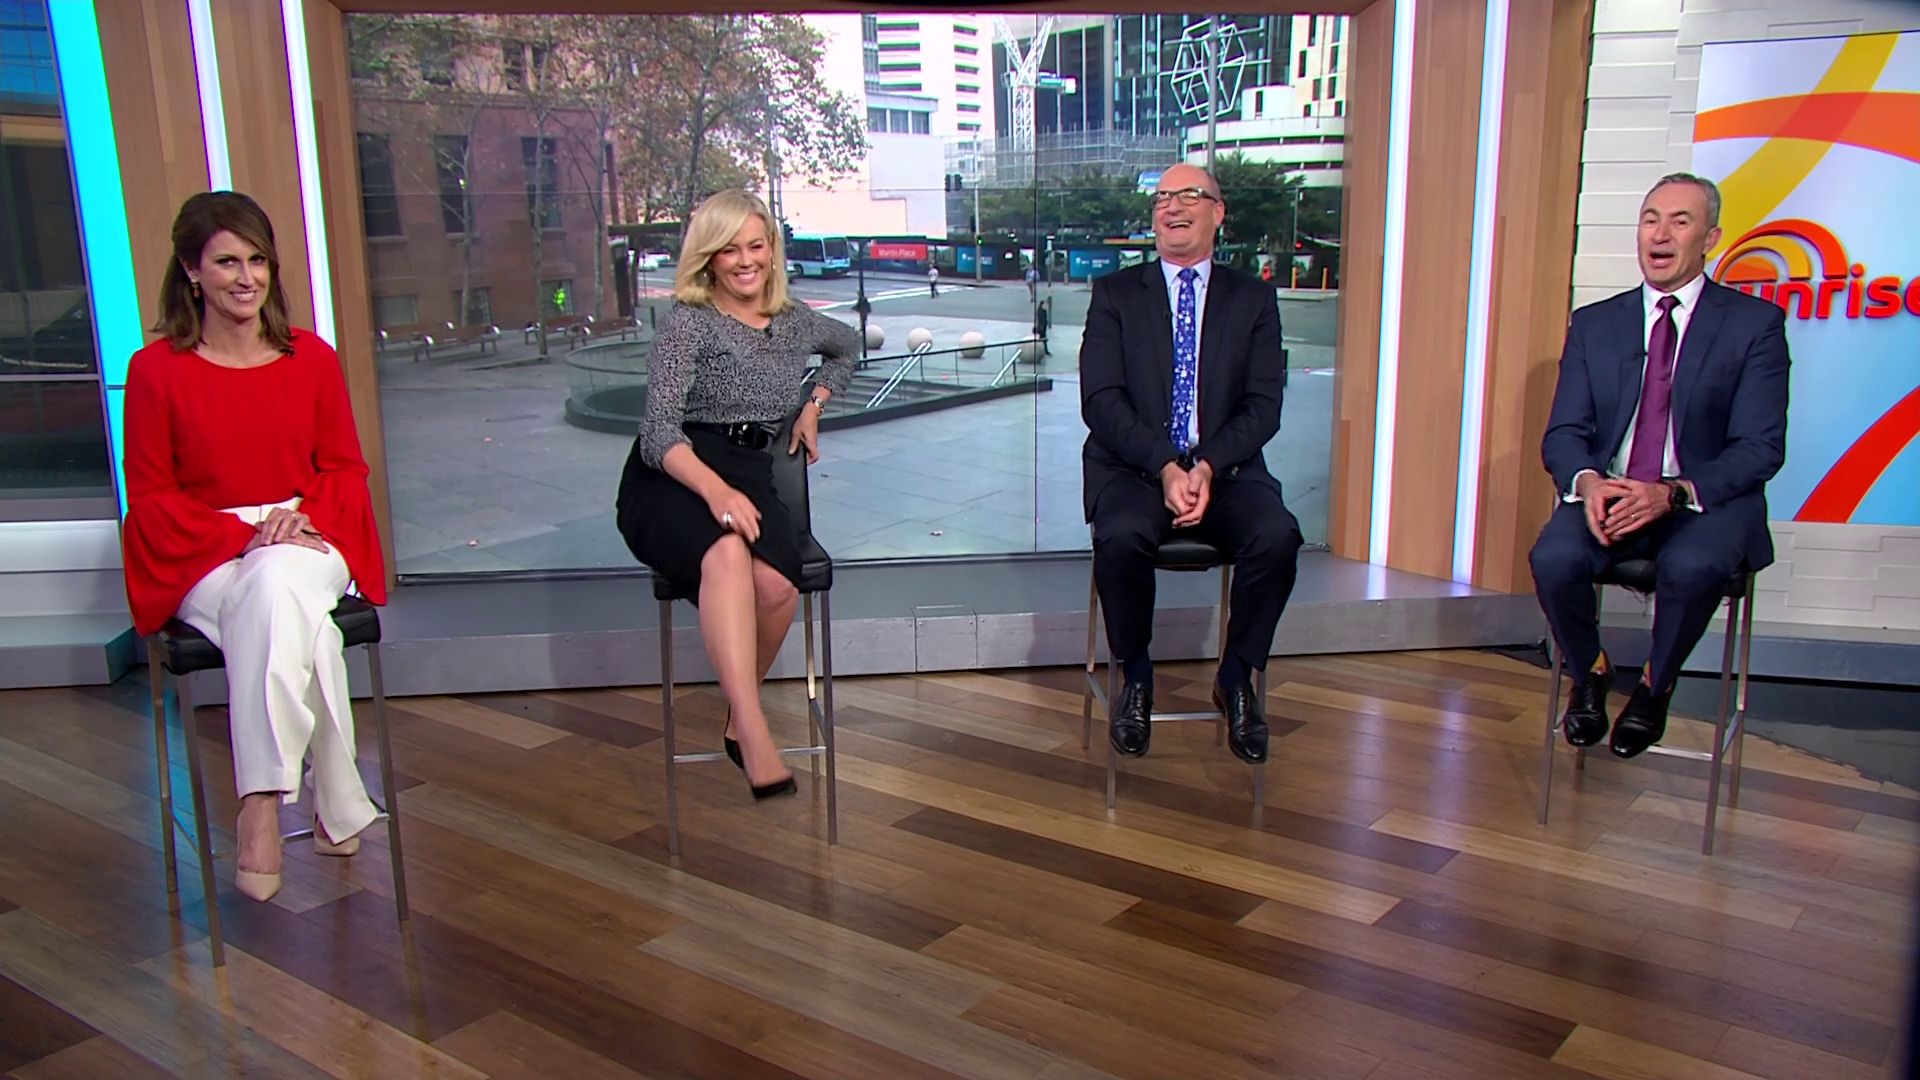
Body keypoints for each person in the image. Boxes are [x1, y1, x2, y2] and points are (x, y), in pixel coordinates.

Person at [121, 192, 386, 903]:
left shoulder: (311, 358)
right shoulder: (155, 371)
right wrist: (246, 534)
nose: (247, 278)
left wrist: (296, 521)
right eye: (227, 262)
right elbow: (151, 495)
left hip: (307, 531)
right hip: (201, 546)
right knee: (301, 623)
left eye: (258, 260)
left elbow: (345, 469)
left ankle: (260, 803)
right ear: (191, 271)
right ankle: (334, 802)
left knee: (275, 583)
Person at [1531, 173, 1789, 758]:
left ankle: (1655, 685)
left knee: (1694, 566)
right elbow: (1565, 433)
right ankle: (1591, 672)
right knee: (1554, 557)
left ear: (1710, 238)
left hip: (1701, 503)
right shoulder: (1596, 323)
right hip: (1614, 492)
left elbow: (1760, 447)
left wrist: (1671, 492)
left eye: (1680, 221)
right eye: (1651, 219)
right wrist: (1588, 483)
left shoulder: (1753, 326)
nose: (1661, 234)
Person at [616, 189, 859, 799]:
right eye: (730, 249)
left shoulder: (795, 321)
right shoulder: (688, 323)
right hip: (676, 474)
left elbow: (848, 346)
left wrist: (814, 404)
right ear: (710, 257)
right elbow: (658, 433)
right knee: (725, 551)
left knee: (777, 586)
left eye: (756, 246)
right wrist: (716, 492)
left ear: (772, 250)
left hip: (750, 472)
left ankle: (735, 716)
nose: (746, 260)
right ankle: (752, 729)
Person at [1079, 163, 1303, 765]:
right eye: (1162, 199)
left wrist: (1204, 466)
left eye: (1189, 195)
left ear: (1218, 212)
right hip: (1134, 469)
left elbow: (1264, 405)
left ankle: (1236, 676)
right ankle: (1137, 677)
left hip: (1227, 471)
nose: (1172, 207)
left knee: (1277, 536)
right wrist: (1165, 466)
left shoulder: (1253, 299)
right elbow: (1100, 400)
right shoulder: (1115, 295)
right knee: (1121, 536)